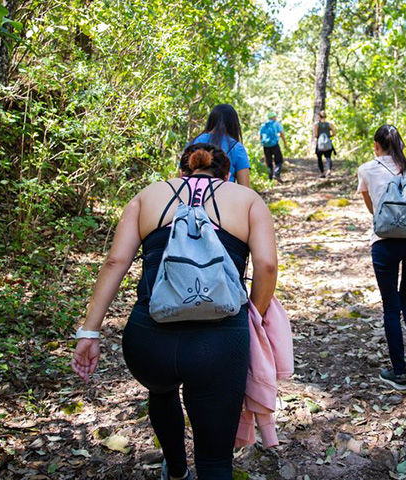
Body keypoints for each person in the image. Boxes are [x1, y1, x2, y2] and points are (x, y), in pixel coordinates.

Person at [71, 143, 278, 480]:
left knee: (162, 390)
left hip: (149, 340)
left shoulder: (147, 196)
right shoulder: (247, 200)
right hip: (219, 342)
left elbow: (115, 262)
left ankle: (177, 469)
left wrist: (89, 332)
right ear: (227, 175)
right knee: (214, 462)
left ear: (181, 172)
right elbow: (267, 266)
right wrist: (255, 315)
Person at [357, 125, 406, 391]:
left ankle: (399, 373)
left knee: (391, 307)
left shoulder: (366, 169)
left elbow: (373, 210)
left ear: (376, 145)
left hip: (385, 243)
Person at [188, 104, 251, 188]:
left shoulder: (195, 142)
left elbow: (182, 176)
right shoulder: (236, 147)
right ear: (234, 124)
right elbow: (245, 187)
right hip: (225, 197)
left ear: (211, 121)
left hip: (194, 196)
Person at [259, 112, 288, 182]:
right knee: (279, 160)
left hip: (266, 145)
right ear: (273, 117)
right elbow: (281, 133)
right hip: (274, 144)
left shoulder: (263, 125)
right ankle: (276, 174)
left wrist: (262, 144)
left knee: (269, 161)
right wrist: (285, 143)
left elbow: (260, 136)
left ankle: (270, 178)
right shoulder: (276, 123)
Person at [313, 110, 336, 177]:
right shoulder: (329, 124)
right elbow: (334, 133)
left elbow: (315, 135)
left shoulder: (317, 125)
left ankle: (322, 173)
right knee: (328, 157)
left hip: (320, 144)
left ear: (319, 117)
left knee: (319, 158)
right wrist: (329, 136)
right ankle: (328, 170)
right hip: (328, 143)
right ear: (325, 117)